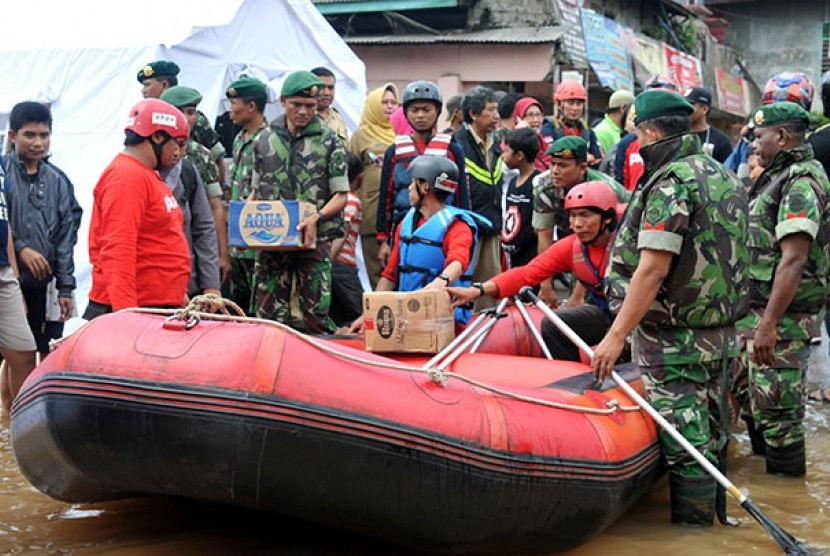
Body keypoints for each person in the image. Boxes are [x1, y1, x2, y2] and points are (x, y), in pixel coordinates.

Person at [591, 90, 749, 527]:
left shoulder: (671, 181)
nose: (636, 143)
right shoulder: (724, 176)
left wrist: (615, 335)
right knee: (713, 438)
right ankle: (718, 529)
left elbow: (653, 269)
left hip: (676, 342)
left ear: (650, 131)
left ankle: (695, 537)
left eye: (638, 133)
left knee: (688, 450)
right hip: (720, 338)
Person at [737, 102, 830, 475]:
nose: (754, 145)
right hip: (761, 313)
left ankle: (788, 494)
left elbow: (793, 259)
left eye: (758, 137)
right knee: (756, 402)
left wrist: (769, 324)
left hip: (785, 320)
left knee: (779, 415)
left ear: (781, 136)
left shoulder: (800, 183)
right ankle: (767, 485)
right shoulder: (777, 176)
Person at [450, 181, 621, 362]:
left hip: (640, 319)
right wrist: (478, 291)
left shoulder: (627, 246)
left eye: (585, 216)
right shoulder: (572, 247)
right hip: (607, 313)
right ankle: (572, 381)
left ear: (607, 218)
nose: (577, 224)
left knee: (625, 348)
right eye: (573, 216)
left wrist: (620, 335)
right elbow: (527, 273)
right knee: (554, 325)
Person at [251, 70, 349, 334]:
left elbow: (341, 194)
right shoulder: (264, 139)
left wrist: (316, 218)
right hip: (272, 239)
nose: (303, 112)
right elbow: (254, 191)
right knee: (269, 313)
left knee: (315, 313)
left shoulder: (330, 142)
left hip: (314, 237)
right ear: (283, 101)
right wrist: (246, 221)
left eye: (310, 106)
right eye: (297, 105)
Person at [349, 155, 488, 332]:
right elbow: (390, 275)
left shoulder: (458, 225)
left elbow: (458, 261)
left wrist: (440, 282)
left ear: (425, 187)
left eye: (412, 182)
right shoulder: (406, 224)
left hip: (443, 319)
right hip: (408, 316)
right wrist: (368, 313)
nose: (408, 188)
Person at [84, 99, 191, 319]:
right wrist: (127, 316)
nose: (179, 153)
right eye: (177, 143)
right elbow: (118, 248)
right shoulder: (127, 177)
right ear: (158, 137)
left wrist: (178, 294)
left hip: (154, 305)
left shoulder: (146, 175)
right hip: (135, 308)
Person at [4, 101, 81, 358]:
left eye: (44, 135)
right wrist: (21, 248)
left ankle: (14, 400)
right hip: (4, 281)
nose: (38, 142)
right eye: (30, 135)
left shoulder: (58, 180)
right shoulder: (2, 172)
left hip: (42, 286)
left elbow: (66, 237)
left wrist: (66, 288)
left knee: (35, 353)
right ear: (13, 136)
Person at [376, 80, 468, 271]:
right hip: (403, 230)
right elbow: (386, 195)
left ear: (437, 111)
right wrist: (383, 238)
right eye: (414, 110)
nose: (420, 115)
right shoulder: (394, 151)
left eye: (426, 109)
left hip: (443, 231)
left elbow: (461, 197)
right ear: (406, 113)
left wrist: (464, 230)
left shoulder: (452, 149)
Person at [532, 136, 629, 306]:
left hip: (616, 240)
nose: (554, 170)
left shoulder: (604, 189)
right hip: (581, 236)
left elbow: (600, 245)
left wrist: (578, 295)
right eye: (552, 163)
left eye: (562, 165)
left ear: (582, 167)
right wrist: (546, 286)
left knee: (599, 297)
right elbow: (544, 237)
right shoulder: (545, 188)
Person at [160, 86, 229, 288]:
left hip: (192, 253)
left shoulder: (201, 155)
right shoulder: (147, 151)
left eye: (191, 112)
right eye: (179, 112)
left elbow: (213, 209)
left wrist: (222, 255)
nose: (186, 118)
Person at [453, 86, 503, 309]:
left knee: (489, 287)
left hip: (491, 225)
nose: (497, 116)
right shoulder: (457, 144)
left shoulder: (496, 143)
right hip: (468, 228)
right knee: (465, 286)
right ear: (473, 114)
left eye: (497, 110)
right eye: (490, 110)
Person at [137, 59, 226, 184]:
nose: (143, 90)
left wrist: (216, 190)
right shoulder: (148, 117)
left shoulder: (196, 119)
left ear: (164, 85)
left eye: (147, 85)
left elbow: (217, 156)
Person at [224, 77, 269, 314]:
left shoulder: (269, 140)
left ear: (251, 107)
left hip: (257, 238)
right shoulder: (239, 139)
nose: (230, 110)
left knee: (257, 306)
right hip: (237, 239)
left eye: (234, 103)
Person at [348, 83, 399, 288]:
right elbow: (351, 170)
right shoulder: (361, 135)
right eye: (384, 102)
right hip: (371, 209)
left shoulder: (403, 130)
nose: (389, 107)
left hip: (400, 210)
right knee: (377, 268)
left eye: (393, 102)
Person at [725, 72, 814, 185]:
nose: (776, 116)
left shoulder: (811, 150)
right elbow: (724, 178)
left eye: (786, 110)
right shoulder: (748, 141)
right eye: (771, 109)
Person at [0, 166, 37, 412]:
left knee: (24, 352)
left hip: (3, 271)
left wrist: (13, 273)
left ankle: (21, 424)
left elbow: (5, 222)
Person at [330, 152, 365, 328]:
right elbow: (341, 232)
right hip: (342, 265)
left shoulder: (333, 199)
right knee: (361, 314)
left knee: (338, 317)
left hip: (334, 265)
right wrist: (327, 260)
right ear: (360, 178)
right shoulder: (351, 200)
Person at [501, 128, 542, 268]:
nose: (502, 156)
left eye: (506, 151)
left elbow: (540, 227)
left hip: (532, 257)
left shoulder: (538, 183)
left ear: (519, 156)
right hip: (514, 256)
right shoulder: (513, 182)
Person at [541, 81, 603, 166]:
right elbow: (551, 155)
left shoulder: (587, 130)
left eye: (579, 104)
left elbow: (598, 157)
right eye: (570, 103)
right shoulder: (549, 128)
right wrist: (584, 157)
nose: (575, 108)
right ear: (559, 104)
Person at [683, 87, 733, 163]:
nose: (686, 108)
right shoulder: (677, 136)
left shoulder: (721, 141)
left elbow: (729, 170)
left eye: (690, 104)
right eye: (684, 104)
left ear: (704, 109)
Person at [511, 97, 549, 171]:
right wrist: (518, 134)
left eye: (538, 115)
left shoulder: (545, 145)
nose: (536, 120)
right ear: (519, 119)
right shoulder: (510, 144)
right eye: (530, 115)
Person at [311, 67, 348, 141]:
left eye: (331, 88)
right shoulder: (303, 117)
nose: (327, 93)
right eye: (321, 87)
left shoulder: (337, 117)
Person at [593, 89, 635, 155]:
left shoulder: (625, 129)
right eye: (633, 110)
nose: (634, 115)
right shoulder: (601, 132)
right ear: (623, 108)